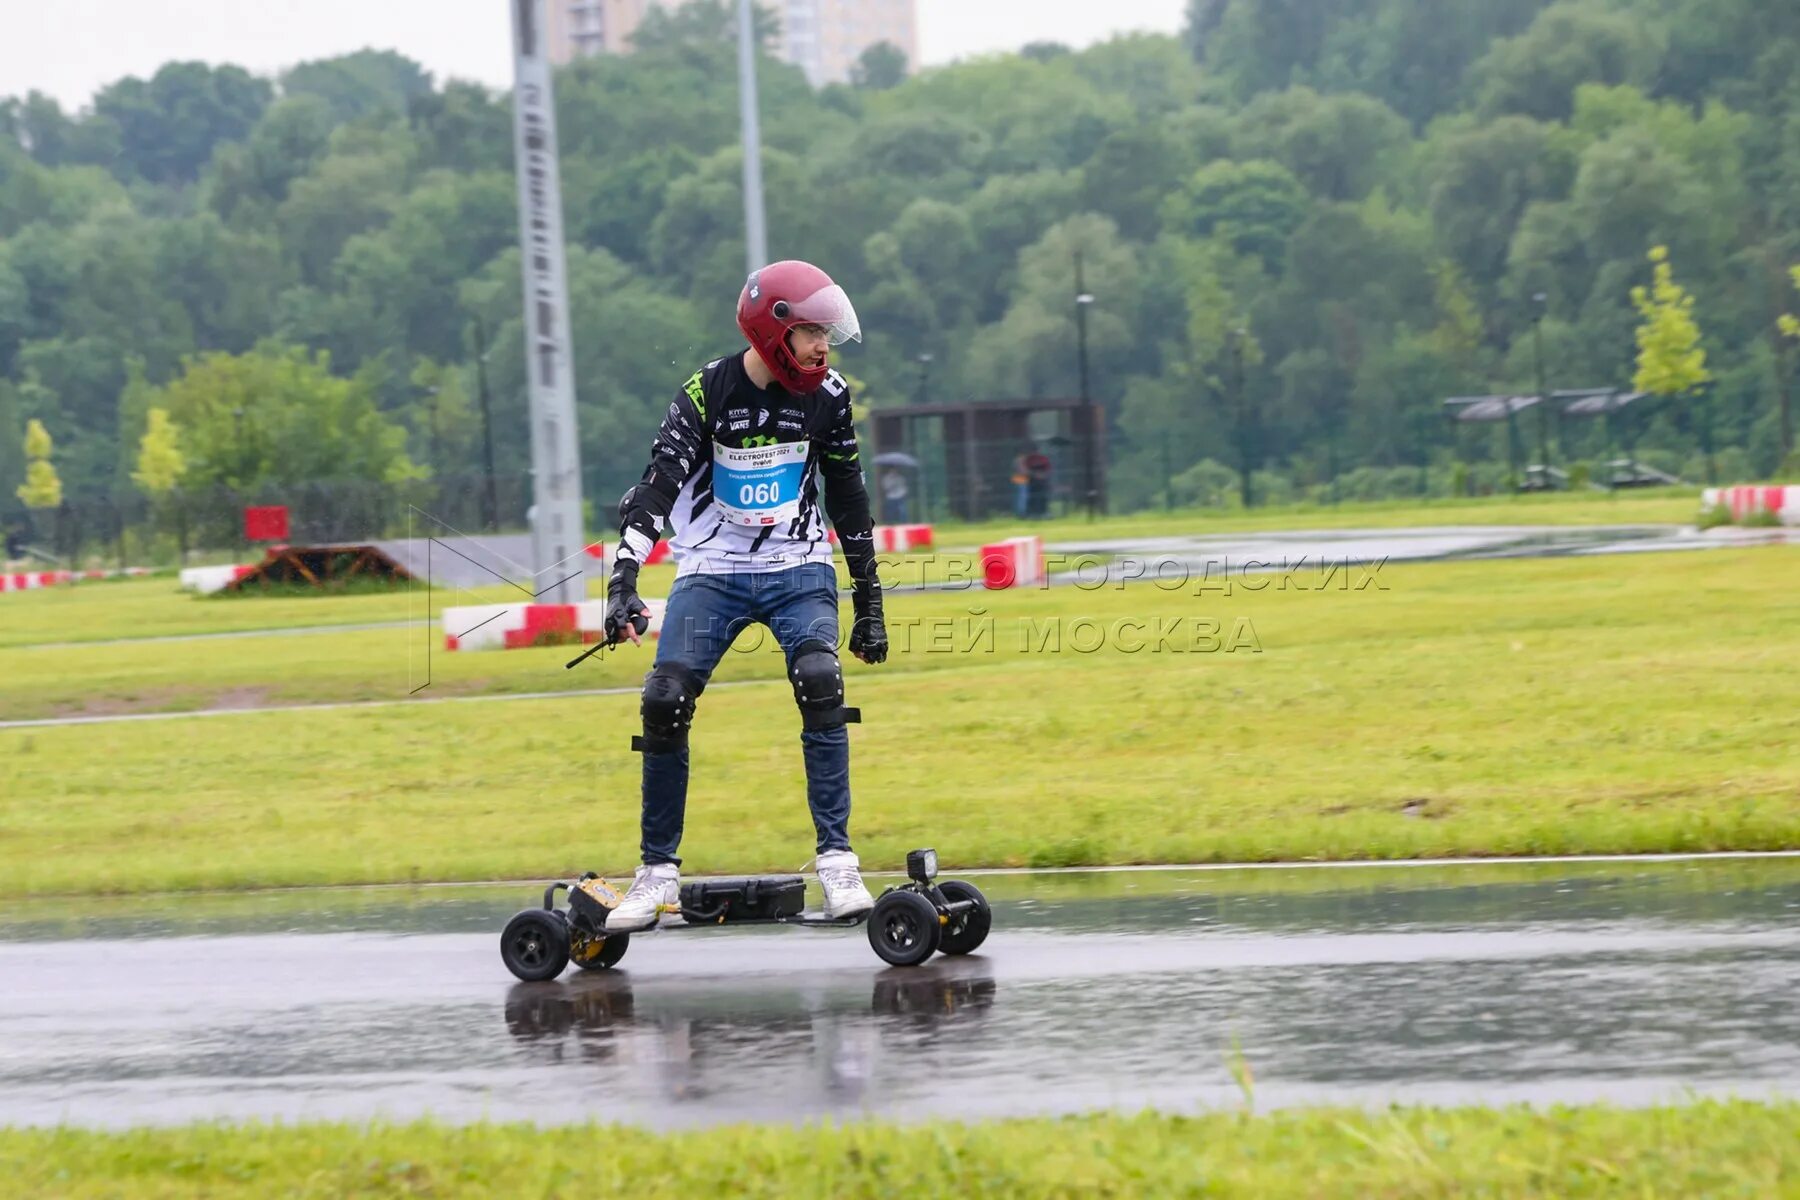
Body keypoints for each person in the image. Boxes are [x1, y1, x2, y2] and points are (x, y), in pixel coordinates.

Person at [601, 260, 889, 932]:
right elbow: (654, 491)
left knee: (820, 675)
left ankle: (839, 864)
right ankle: (656, 875)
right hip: (712, 572)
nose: (824, 346)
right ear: (772, 333)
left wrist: (870, 603)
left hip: (799, 567)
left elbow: (849, 499)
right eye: (812, 331)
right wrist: (622, 583)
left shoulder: (831, 396)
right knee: (664, 699)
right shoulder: (705, 394)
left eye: (828, 332)